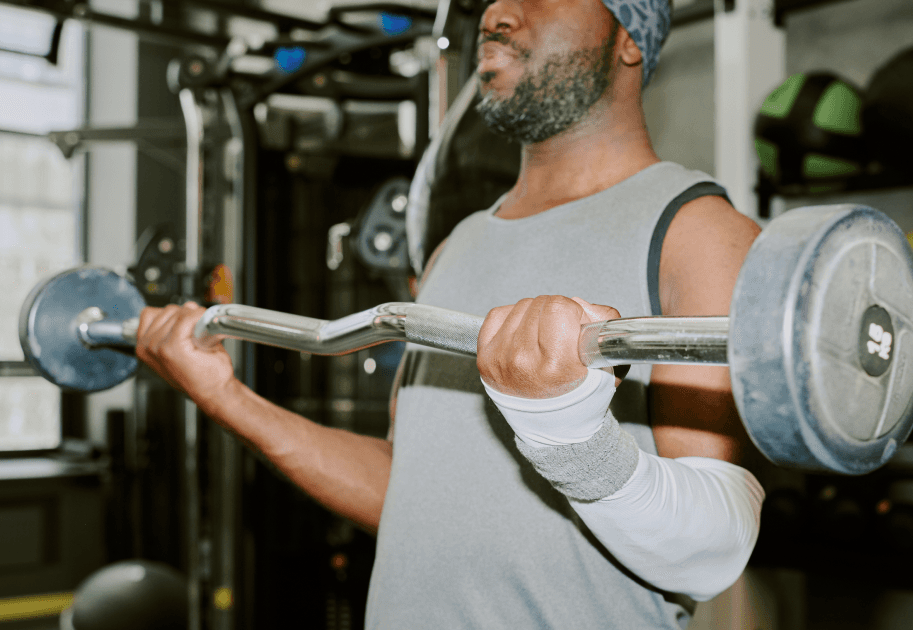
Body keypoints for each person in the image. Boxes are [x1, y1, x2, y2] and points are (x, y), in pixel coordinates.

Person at [136, 0, 766, 627]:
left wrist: (569, 436)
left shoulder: (699, 234)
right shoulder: (457, 244)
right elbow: (405, 492)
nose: (495, 14)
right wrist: (226, 398)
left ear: (629, 37)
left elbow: (713, 550)